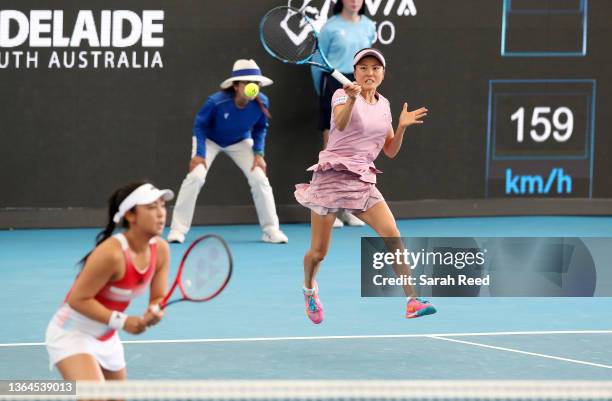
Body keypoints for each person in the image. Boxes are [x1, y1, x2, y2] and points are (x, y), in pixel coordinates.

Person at [295, 48, 437, 324]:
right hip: (332, 177)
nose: (369, 72)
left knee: (392, 234)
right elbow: (341, 123)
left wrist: (402, 125)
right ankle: (309, 290)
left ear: (383, 73)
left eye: (375, 68)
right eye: (363, 68)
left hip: (362, 179)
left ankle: (412, 300)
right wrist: (351, 98)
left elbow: (391, 150)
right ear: (355, 72)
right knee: (319, 252)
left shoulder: (384, 106)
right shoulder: (341, 94)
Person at [45, 181, 173, 380]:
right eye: (151, 207)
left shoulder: (161, 250)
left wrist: (154, 311)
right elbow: (77, 300)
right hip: (72, 332)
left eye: (162, 205)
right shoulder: (111, 254)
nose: (161, 213)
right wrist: (123, 322)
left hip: (106, 337)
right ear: (131, 216)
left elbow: (157, 296)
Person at [167, 59, 288, 244]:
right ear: (236, 86)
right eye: (247, 82)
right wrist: (199, 153)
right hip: (210, 141)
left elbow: (260, 128)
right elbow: (200, 126)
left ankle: (271, 230)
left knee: (259, 178)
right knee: (196, 177)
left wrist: (259, 153)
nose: (253, 86)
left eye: (256, 83)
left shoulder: (262, 102)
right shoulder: (216, 102)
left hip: (240, 141)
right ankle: (177, 230)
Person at [312, 0, 376, 228]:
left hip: (360, 83)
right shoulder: (330, 27)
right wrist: (324, 92)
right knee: (333, 149)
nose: (355, 1)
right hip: (334, 84)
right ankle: (329, 208)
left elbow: (368, 62)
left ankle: (348, 209)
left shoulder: (369, 25)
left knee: (355, 149)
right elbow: (318, 63)